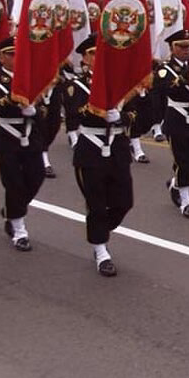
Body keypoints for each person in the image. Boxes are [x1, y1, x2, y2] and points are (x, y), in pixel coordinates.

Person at [65, 36, 135, 276]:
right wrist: (100, 111)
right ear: (84, 58)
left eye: (102, 53)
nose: (98, 57)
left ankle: (99, 231)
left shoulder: (123, 84)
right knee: (96, 203)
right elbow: (75, 112)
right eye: (93, 53)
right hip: (91, 148)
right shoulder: (77, 84)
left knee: (124, 201)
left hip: (117, 146)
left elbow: (141, 112)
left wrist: (122, 117)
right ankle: (100, 249)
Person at [0, 37, 45, 251]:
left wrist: (35, 111)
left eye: (17, 53)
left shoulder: (30, 77)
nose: (15, 57)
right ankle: (19, 231)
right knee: (14, 184)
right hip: (7, 136)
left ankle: (12, 210)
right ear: (1, 57)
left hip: (30, 134)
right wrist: (17, 101)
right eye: (10, 54)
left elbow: (44, 107)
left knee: (36, 177)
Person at [153, 29, 189, 219]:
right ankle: (185, 201)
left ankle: (176, 182)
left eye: (188, 46)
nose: (186, 50)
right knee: (182, 160)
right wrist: (187, 75)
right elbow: (167, 88)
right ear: (172, 48)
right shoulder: (163, 69)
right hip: (176, 117)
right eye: (181, 47)